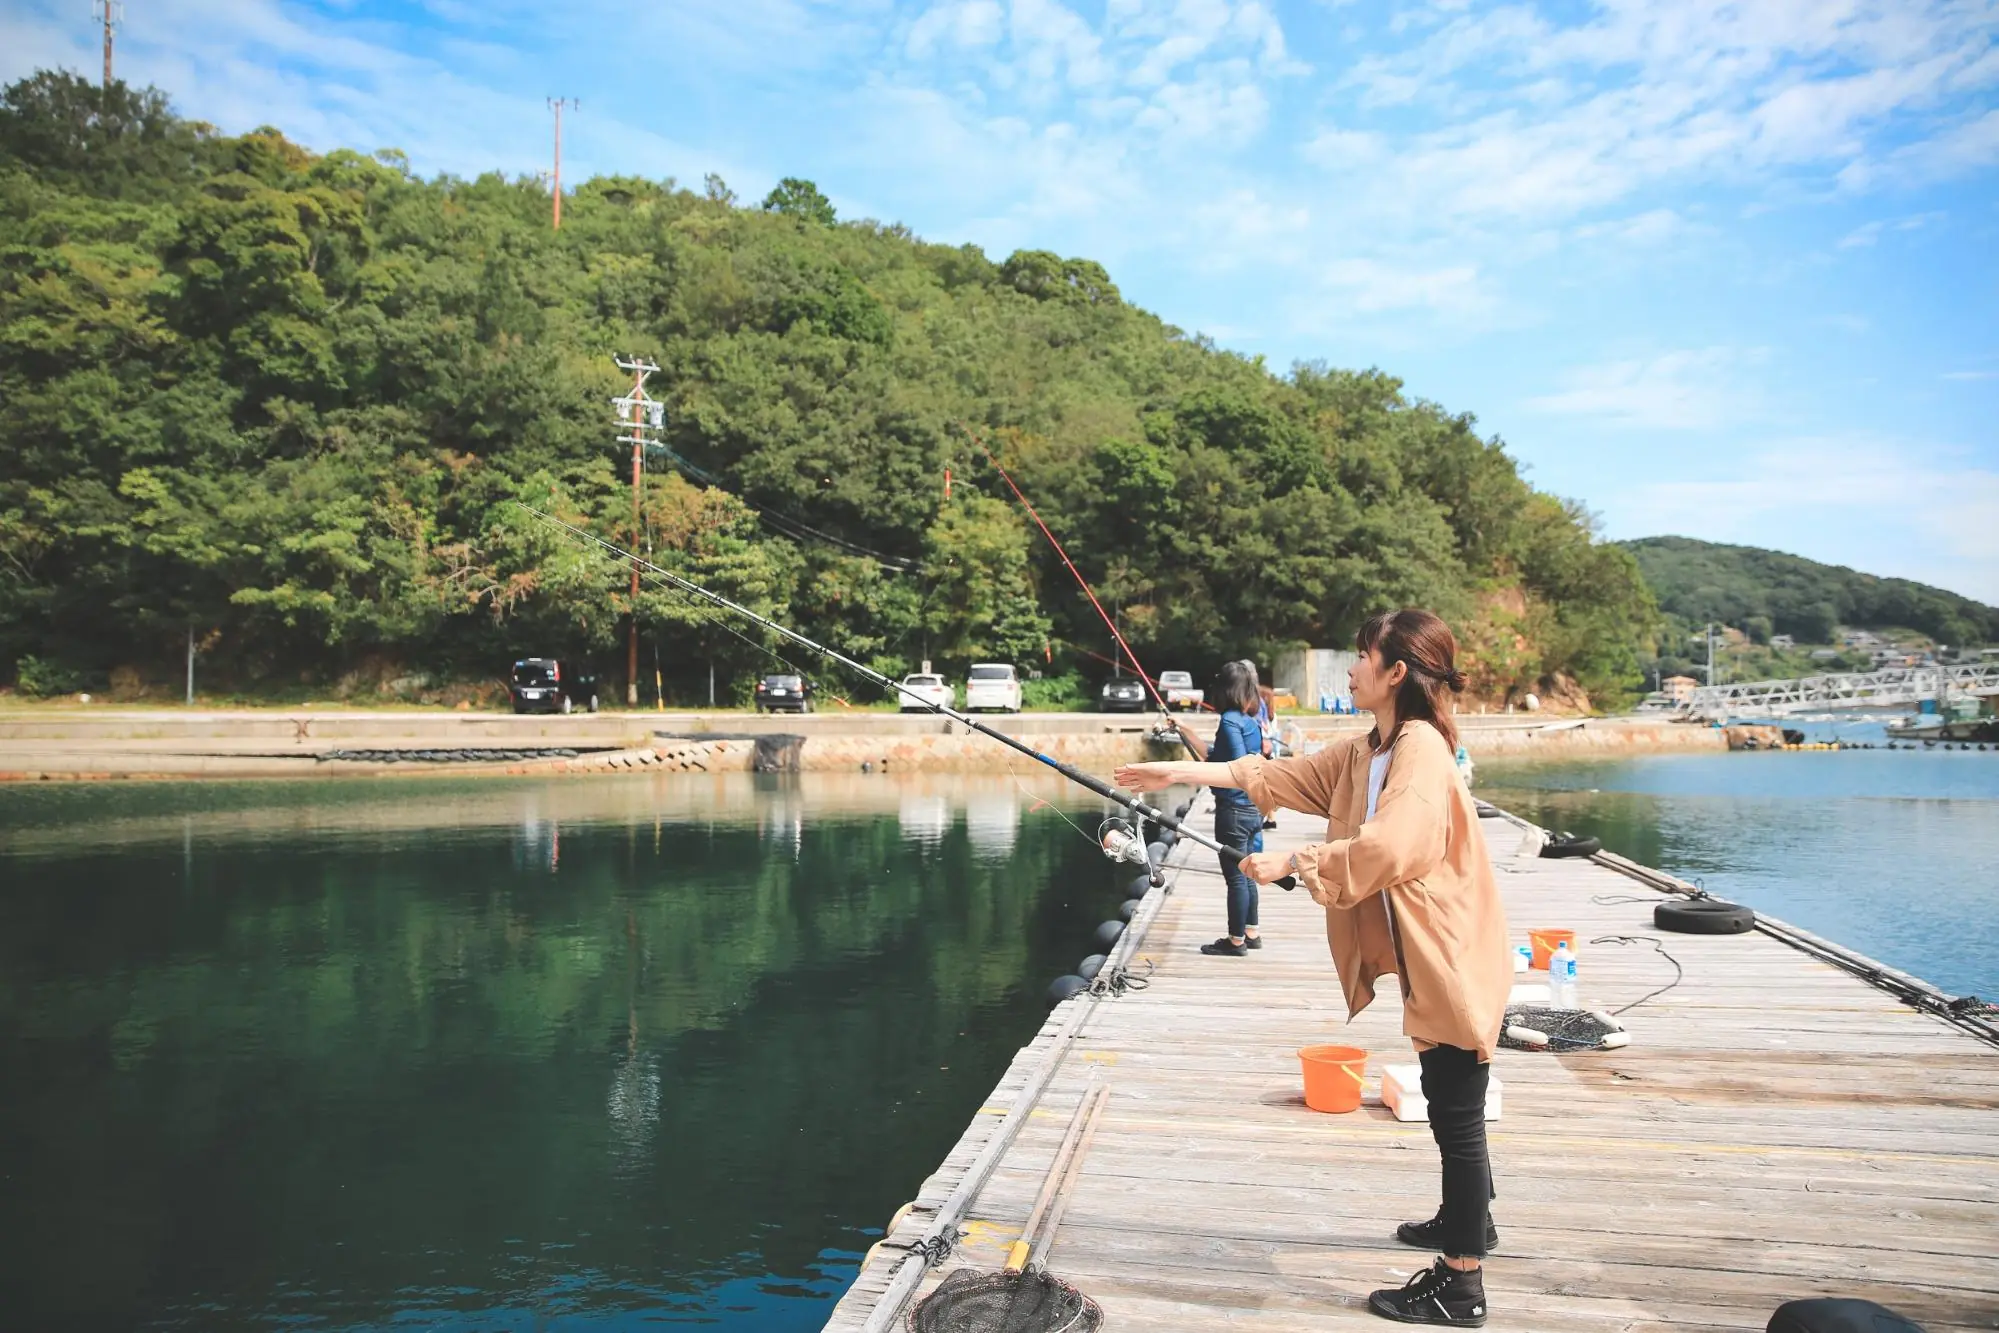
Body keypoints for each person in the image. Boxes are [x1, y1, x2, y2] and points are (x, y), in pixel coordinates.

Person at [1117, 609, 1510, 1327]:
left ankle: (1461, 1284)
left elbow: (1393, 846)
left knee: (1455, 1110)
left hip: (1451, 952)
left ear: (1395, 672)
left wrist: (1292, 863)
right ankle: (1468, 1223)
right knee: (1448, 1094)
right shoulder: (1370, 748)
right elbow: (1277, 775)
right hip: (1427, 950)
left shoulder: (1418, 749)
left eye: (1362, 656)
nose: (1351, 668)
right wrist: (1178, 767)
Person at [1168, 660, 1265, 957]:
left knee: (1236, 876)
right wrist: (1183, 729)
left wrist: (1200, 772)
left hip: (1233, 811)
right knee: (1247, 872)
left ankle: (1235, 941)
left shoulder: (1229, 721)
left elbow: (1234, 765)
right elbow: (1214, 755)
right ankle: (1251, 931)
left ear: (1223, 689)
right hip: (1252, 809)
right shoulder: (1250, 721)